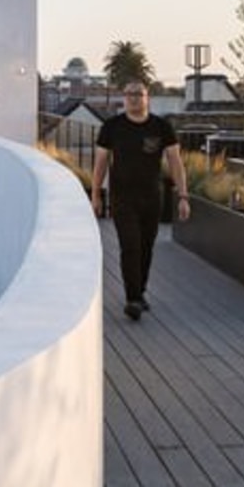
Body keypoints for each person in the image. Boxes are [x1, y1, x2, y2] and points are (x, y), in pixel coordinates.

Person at [92, 80, 188, 320]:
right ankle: (132, 298)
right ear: (124, 98)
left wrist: (183, 196)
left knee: (146, 247)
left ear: (148, 98)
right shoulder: (112, 127)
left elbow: (176, 162)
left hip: (153, 198)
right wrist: (96, 194)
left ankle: (140, 291)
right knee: (130, 246)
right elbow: (101, 163)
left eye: (139, 94)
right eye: (129, 94)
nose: (134, 98)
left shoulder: (161, 127)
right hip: (122, 198)